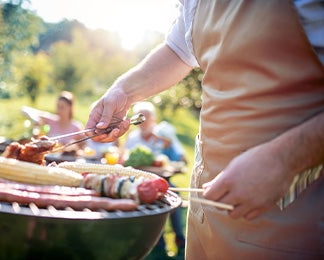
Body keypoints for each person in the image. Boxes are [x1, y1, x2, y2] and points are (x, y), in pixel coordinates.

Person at [85, 1, 324, 259]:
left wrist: (284, 160)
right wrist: (123, 91)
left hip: (288, 215)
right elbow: (178, 51)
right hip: (204, 215)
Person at [124, 102, 186, 259]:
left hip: (162, 180)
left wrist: (164, 142)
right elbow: (125, 160)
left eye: (146, 118)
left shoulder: (163, 134)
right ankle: (158, 242)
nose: (143, 123)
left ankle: (179, 237)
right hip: (138, 181)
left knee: (172, 192)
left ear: (154, 119)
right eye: (139, 118)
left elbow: (181, 159)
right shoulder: (132, 138)